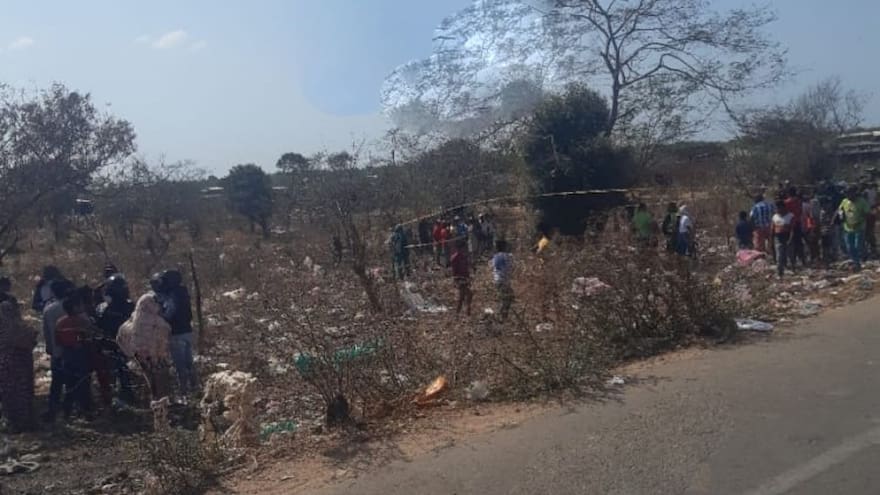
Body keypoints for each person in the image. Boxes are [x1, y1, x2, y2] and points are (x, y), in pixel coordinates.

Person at [117, 291, 172, 401]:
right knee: (159, 381)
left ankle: (150, 401)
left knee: (147, 380)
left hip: (140, 357)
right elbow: (166, 334)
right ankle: (160, 403)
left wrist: (130, 353)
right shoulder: (158, 321)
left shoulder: (132, 320)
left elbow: (120, 338)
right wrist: (162, 352)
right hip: (155, 357)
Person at [152, 270, 198, 399]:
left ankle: (184, 393)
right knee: (189, 363)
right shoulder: (183, 292)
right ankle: (195, 389)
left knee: (180, 365)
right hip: (187, 331)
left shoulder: (172, 295)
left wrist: (159, 313)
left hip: (176, 333)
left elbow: (169, 314)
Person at [55, 292, 97, 420]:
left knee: (69, 385)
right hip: (81, 354)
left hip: (67, 355)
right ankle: (86, 412)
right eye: (79, 305)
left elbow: (58, 341)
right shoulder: (82, 321)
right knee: (83, 384)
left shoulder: (60, 322)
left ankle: (67, 412)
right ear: (74, 307)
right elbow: (90, 338)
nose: (81, 307)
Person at [96, 274, 136, 405]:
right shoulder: (129, 306)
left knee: (119, 372)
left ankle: (122, 396)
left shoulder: (105, 308)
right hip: (120, 344)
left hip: (116, 344)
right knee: (121, 371)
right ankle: (124, 395)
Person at [0, 302, 37, 432]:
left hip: (5, 366)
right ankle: (24, 421)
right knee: (22, 392)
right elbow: (30, 341)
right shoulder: (21, 327)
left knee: (9, 394)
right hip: (21, 365)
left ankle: (12, 422)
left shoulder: (4, 328)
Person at [41, 279, 74, 422]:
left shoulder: (49, 309)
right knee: (72, 381)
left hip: (57, 350)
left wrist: (50, 348)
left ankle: (52, 410)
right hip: (73, 349)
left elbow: (47, 332)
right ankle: (69, 410)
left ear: (53, 292)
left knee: (56, 383)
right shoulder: (72, 306)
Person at [838, 186, 871, 271]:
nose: (848, 195)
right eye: (846, 194)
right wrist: (838, 218)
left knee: (857, 246)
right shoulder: (844, 201)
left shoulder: (862, 201)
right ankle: (856, 263)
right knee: (850, 247)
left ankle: (864, 254)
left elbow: (868, 214)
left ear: (854, 193)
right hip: (847, 227)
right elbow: (840, 210)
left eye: (850, 193)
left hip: (859, 227)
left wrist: (864, 222)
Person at [490, 240, 514, 322]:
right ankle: (502, 317)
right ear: (504, 247)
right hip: (504, 280)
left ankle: (502, 316)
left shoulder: (495, 257)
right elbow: (510, 267)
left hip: (497, 280)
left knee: (505, 298)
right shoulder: (506, 256)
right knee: (507, 299)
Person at [449, 239, 473, 315]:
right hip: (460, 279)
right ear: (460, 248)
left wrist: (469, 277)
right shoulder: (455, 258)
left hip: (465, 278)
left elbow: (466, 267)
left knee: (464, 296)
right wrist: (456, 279)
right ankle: (462, 312)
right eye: (464, 248)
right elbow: (454, 270)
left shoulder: (464, 257)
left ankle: (460, 313)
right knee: (465, 295)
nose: (465, 249)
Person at [784, 187, 806, 268]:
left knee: (790, 243)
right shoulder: (799, 201)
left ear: (788, 193)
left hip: (789, 224)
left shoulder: (786, 202)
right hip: (798, 223)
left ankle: (792, 261)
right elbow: (800, 212)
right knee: (799, 242)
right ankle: (802, 260)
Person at [772, 200, 794, 278]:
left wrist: (790, 239)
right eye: (777, 208)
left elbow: (792, 229)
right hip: (778, 238)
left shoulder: (790, 216)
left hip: (787, 237)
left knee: (789, 255)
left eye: (779, 208)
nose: (778, 209)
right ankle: (780, 272)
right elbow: (772, 229)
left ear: (783, 207)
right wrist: (771, 241)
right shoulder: (775, 217)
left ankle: (792, 269)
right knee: (779, 256)